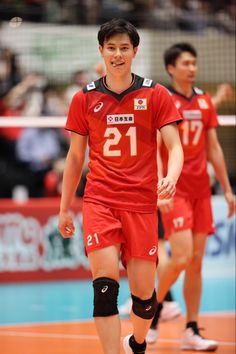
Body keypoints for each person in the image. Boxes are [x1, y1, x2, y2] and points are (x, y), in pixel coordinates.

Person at [58, 18, 184, 354]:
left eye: (124, 48)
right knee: (104, 288)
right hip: (100, 201)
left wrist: (170, 177)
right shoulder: (84, 99)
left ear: (135, 51)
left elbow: (175, 146)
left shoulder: (155, 94)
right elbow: (74, 159)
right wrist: (64, 208)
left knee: (144, 299)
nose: (117, 54)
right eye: (111, 48)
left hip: (142, 205)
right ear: (101, 51)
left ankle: (138, 342)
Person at [146, 42, 235, 351]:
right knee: (181, 256)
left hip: (201, 191)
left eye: (194, 63)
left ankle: (191, 330)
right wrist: (161, 186)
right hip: (175, 189)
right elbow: (156, 150)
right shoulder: (163, 100)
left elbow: (213, 147)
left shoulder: (204, 102)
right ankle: (151, 310)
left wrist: (226, 187)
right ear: (171, 68)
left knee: (195, 263)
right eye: (186, 63)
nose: (192, 68)